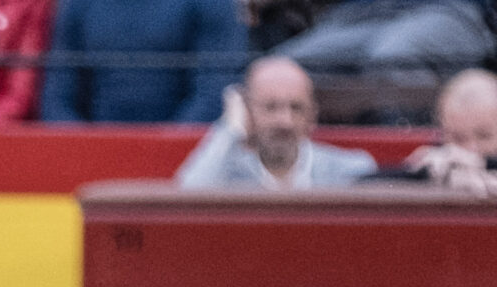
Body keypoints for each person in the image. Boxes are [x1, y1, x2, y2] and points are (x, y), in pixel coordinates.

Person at [175, 53, 377, 186]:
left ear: (312, 114)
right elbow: (188, 193)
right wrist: (230, 129)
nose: (285, 122)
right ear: (247, 111)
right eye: (271, 107)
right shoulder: (225, 170)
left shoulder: (348, 169)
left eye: (296, 108)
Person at [276, 0, 495, 122]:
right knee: (280, 65)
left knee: (391, 57)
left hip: (447, 10)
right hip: (364, 14)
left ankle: (419, 142)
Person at [40, 0, 244, 123]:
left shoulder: (212, 4)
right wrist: (82, 145)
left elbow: (215, 92)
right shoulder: (77, 5)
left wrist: (163, 147)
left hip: (188, 160)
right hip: (90, 150)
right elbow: (57, 96)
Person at [364, 63, 497, 191]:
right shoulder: (437, 161)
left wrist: (483, 166)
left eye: (484, 136)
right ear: (442, 132)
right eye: (458, 138)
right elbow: (360, 184)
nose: (470, 150)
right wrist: (421, 173)